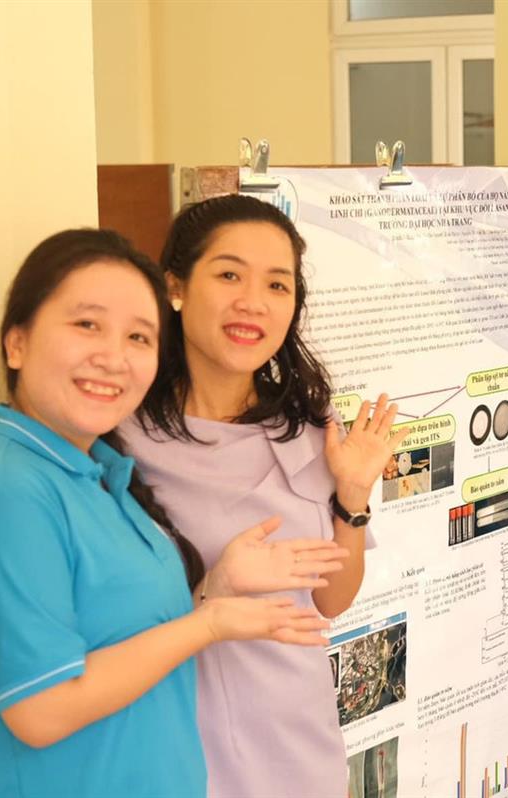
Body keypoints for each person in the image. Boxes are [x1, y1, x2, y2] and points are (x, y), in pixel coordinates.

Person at [0, 230, 331, 798]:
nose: (113, 358)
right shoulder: (5, 497)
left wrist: (215, 590)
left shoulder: (97, 477)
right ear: (17, 343)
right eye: (87, 324)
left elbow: (124, 638)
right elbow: (41, 710)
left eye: (138, 336)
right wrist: (208, 624)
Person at [121, 195, 408, 798]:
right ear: (175, 287)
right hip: (180, 746)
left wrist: (353, 497)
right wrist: (213, 590)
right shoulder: (122, 439)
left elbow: (329, 599)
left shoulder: (308, 426)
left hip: (297, 743)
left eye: (277, 285)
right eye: (229, 275)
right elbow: (106, 630)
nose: (254, 302)